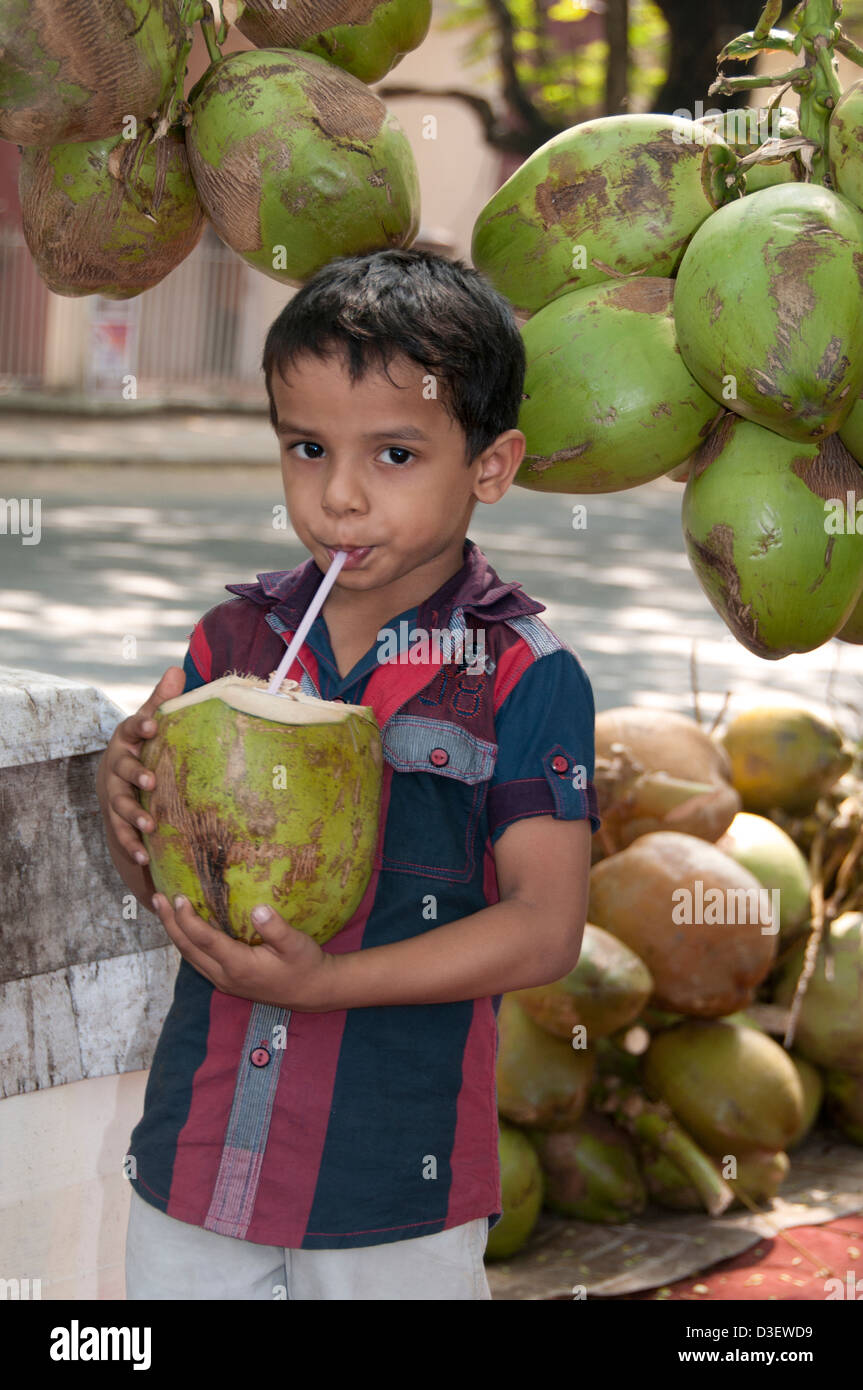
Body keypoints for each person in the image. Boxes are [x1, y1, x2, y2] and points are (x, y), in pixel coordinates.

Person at [97, 247, 601, 1301]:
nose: (339, 496)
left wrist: (323, 986)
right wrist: (126, 810)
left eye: (395, 456)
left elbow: (543, 929)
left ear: (490, 466)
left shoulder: (522, 676)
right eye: (308, 446)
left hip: (391, 1194)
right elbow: (173, 890)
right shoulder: (228, 645)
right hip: (197, 1161)